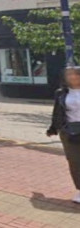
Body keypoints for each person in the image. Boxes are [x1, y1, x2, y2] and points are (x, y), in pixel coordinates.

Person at [47, 67, 80, 204]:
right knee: (75, 163)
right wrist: (53, 128)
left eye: (76, 74)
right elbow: (57, 112)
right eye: (69, 75)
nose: (72, 77)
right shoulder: (60, 93)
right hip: (69, 131)